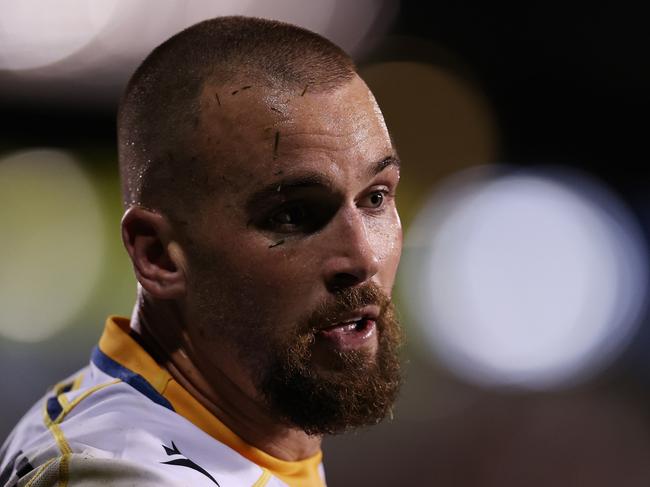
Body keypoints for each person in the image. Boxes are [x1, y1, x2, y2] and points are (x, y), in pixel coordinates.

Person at [0, 16, 403, 487]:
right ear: (159, 256)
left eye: (375, 197)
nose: (363, 259)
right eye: (293, 215)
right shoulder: (126, 474)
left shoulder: (237, 429)